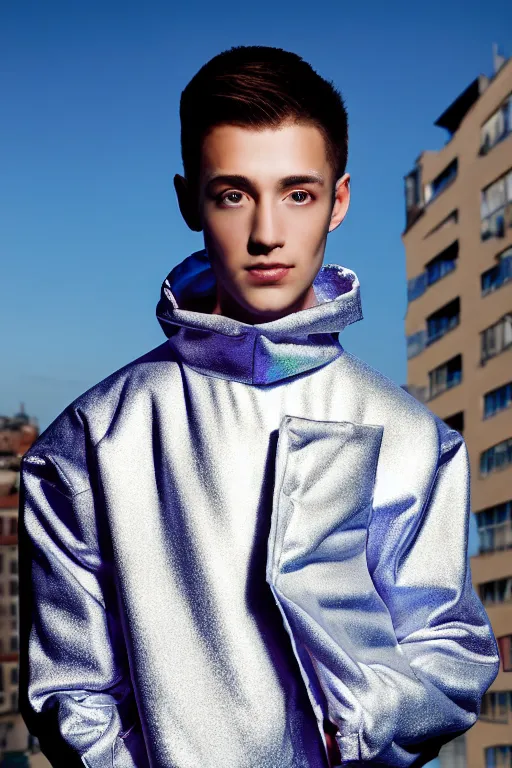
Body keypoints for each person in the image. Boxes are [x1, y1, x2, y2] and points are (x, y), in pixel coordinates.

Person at [18, 45, 499, 768]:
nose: (267, 233)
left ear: (338, 199)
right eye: (233, 194)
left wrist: (353, 726)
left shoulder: (409, 437)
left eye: (297, 194)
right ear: (190, 202)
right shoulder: (88, 443)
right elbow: (70, 691)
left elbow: (453, 653)